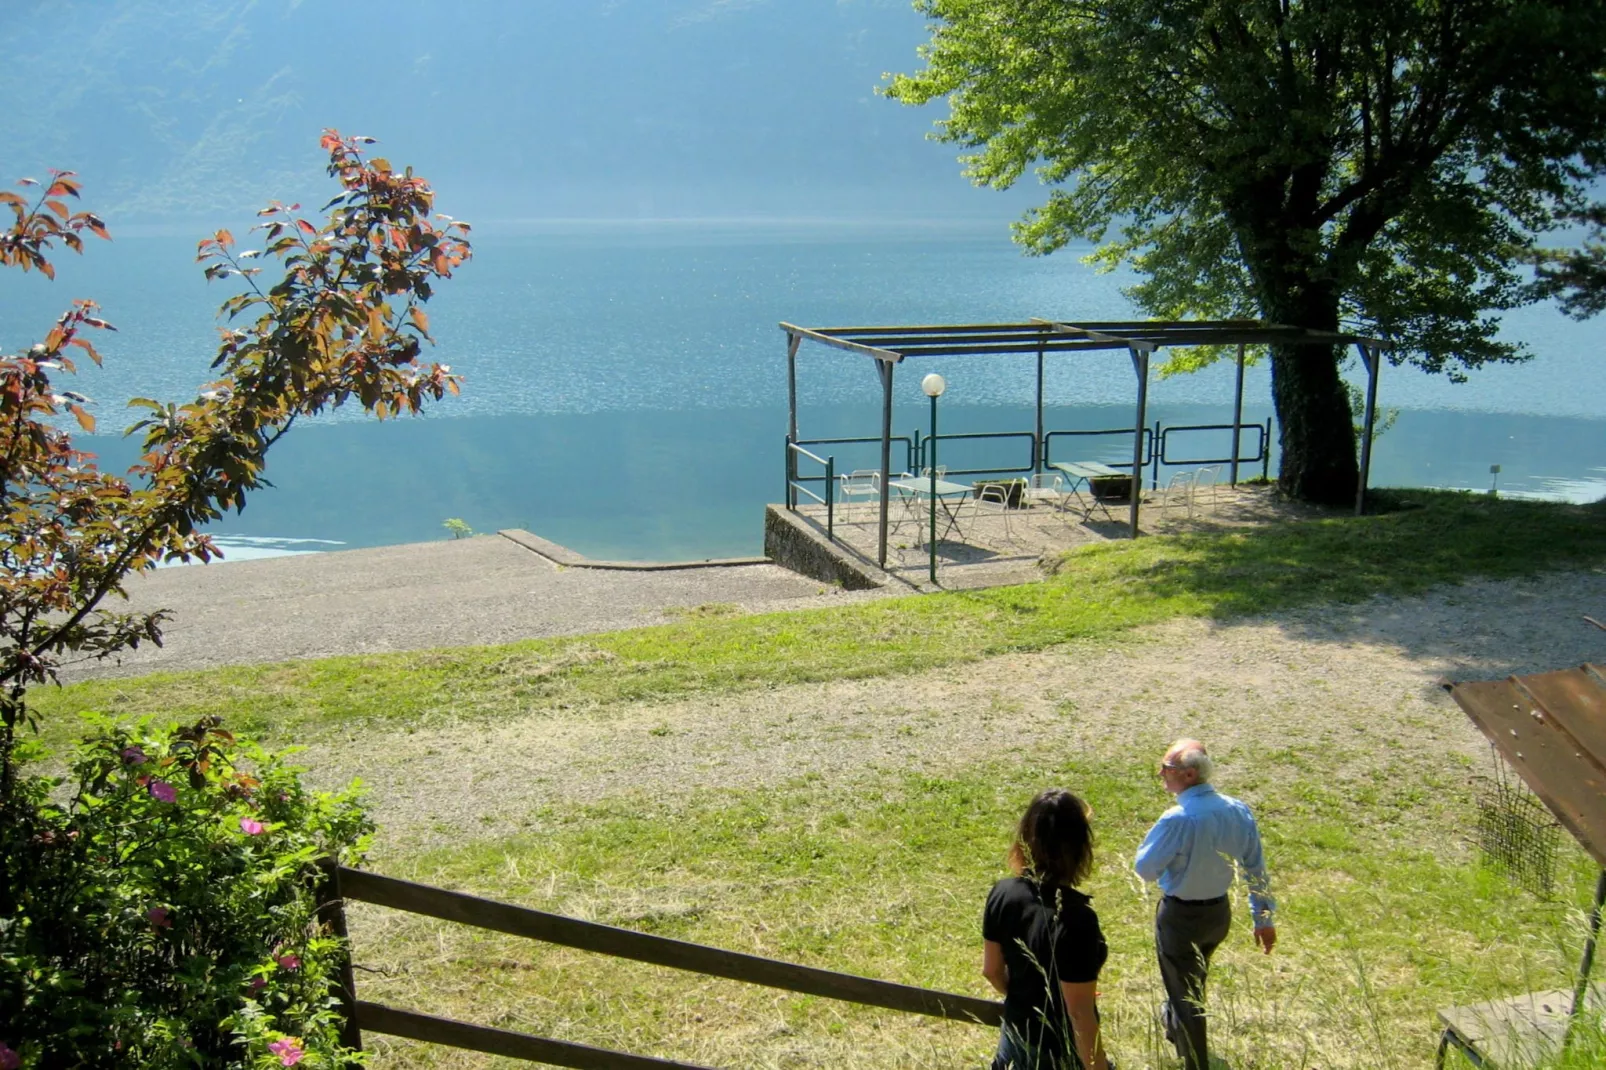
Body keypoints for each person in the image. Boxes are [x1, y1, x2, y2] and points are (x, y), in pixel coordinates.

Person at [1134, 739, 1275, 1070]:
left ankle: (1195, 1061)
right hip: (1218, 915)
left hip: (1181, 917)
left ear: (1188, 774)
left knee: (1187, 997)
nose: (1160, 774)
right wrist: (1264, 918)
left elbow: (1145, 869)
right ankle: (1174, 1025)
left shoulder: (1177, 819)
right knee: (1191, 979)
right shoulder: (1238, 810)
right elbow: (1256, 868)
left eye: (1166, 768)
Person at [983, 788, 1110, 1070]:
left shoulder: (1003, 893)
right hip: (1059, 1049)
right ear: (1080, 847)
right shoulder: (1077, 919)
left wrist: (1024, 1000)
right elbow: (1079, 1014)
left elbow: (991, 970)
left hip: (1015, 1038)